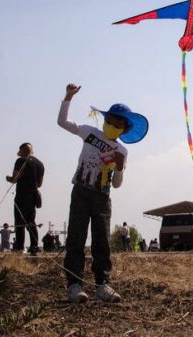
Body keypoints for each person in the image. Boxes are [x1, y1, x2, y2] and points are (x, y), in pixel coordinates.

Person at [58, 83, 148, 303]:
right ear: (104, 119)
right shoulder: (90, 132)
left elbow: (117, 184)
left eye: (118, 124)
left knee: (102, 241)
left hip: (102, 198)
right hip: (80, 191)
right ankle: (74, 285)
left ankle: (102, 285)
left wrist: (119, 167)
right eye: (110, 121)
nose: (112, 126)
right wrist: (68, 97)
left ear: (124, 130)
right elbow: (62, 122)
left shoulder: (122, 151)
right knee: (76, 238)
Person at [6, 143, 44, 255]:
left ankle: (19, 247)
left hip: (22, 195)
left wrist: (8, 178)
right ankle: (34, 247)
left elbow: (15, 178)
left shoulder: (20, 161)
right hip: (33, 196)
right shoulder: (40, 164)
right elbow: (40, 183)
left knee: (19, 223)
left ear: (23, 150)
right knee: (31, 222)